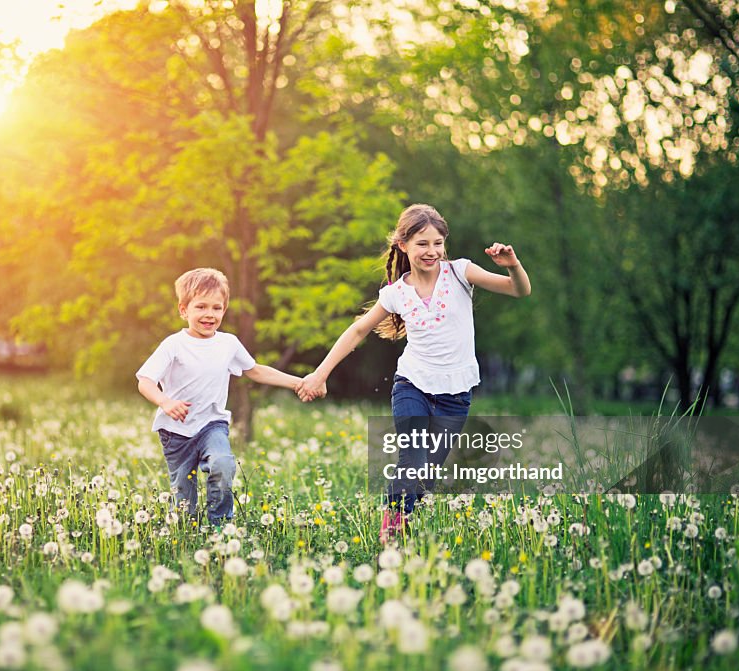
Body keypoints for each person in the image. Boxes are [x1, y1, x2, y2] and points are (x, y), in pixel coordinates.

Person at [297, 204, 531, 542]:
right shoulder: (396, 293)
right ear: (403, 244)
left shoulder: (461, 272)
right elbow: (358, 331)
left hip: (456, 394)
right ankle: (390, 532)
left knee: (427, 475)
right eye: (422, 243)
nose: (432, 251)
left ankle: (403, 523)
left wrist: (514, 266)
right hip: (412, 385)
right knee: (413, 458)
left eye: (438, 243)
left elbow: (519, 290)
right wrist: (320, 374)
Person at [138, 267, 306, 527]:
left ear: (224, 311)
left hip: (212, 425)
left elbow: (256, 370)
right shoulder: (173, 345)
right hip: (176, 432)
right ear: (184, 310)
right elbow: (145, 381)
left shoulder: (228, 344)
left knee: (223, 464)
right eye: (201, 307)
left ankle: (220, 526)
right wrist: (166, 402)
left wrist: (298, 383)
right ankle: (187, 532)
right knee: (184, 501)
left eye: (217, 308)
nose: (209, 314)